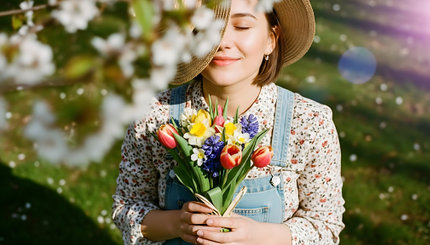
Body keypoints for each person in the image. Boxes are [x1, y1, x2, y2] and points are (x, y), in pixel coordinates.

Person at [112, 0, 345, 244]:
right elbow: (127, 207)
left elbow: (324, 226)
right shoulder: (155, 117)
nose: (222, 42)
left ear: (271, 39)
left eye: (242, 26)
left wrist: (256, 236)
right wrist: (176, 223)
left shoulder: (308, 123)